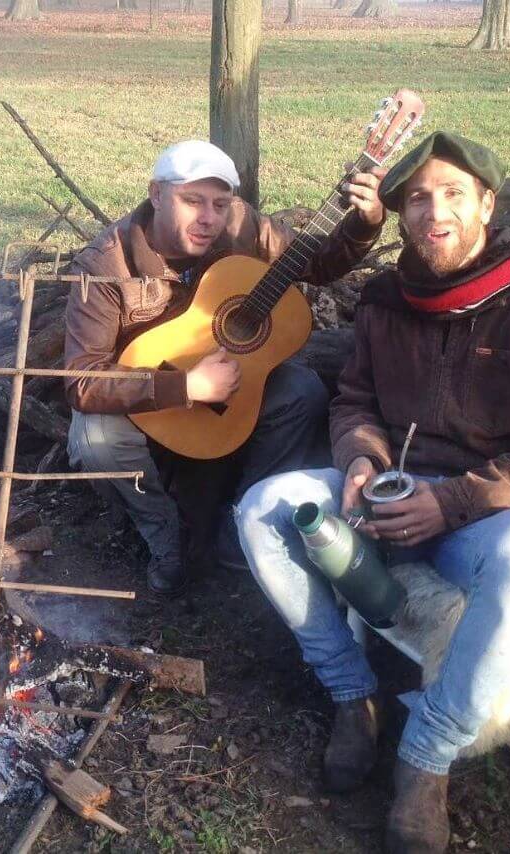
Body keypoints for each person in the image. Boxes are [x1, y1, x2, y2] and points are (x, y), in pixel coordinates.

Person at [236, 132, 510, 853]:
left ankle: (427, 757)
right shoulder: (387, 299)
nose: (434, 212)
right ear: (401, 213)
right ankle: (353, 697)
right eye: (417, 198)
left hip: (488, 508)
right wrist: (358, 460)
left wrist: (451, 504)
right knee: (263, 506)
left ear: (487, 202)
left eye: (453, 194)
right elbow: (353, 400)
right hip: (390, 487)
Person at [64, 139, 387, 596]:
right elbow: (82, 380)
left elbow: (317, 261)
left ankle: (244, 525)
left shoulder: (241, 226)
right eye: (192, 201)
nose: (208, 218)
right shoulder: (104, 264)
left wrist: (365, 221)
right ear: (156, 194)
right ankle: (165, 536)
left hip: (229, 389)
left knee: (303, 393)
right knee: (93, 437)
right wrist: (186, 386)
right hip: (145, 402)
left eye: (220, 203)